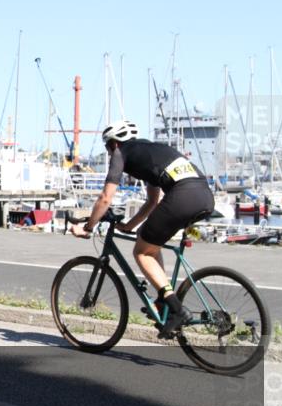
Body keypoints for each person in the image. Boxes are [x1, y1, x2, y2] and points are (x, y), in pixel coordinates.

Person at [73, 120, 214, 339]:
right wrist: (129, 226)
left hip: (182, 196)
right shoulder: (151, 151)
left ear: (114, 143)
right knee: (148, 241)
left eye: (108, 147)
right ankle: (163, 300)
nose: (109, 152)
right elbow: (152, 201)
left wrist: (88, 227)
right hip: (204, 196)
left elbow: (105, 197)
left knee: (140, 252)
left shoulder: (121, 153)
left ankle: (177, 310)